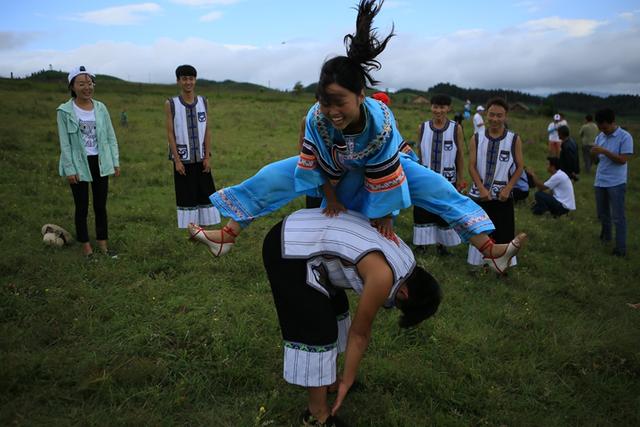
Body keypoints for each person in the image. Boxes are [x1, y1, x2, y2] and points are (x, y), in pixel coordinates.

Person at [190, 0, 525, 274]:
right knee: (273, 176)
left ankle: (488, 248)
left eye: (340, 102)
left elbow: (384, 174)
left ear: (360, 95)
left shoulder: (380, 123)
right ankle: (227, 235)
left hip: (387, 169)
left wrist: (384, 214)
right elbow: (312, 163)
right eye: (325, 101)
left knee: (438, 188)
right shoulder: (316, 119)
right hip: (336, 169)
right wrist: (331, 197)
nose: (332, 110)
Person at [263, 209, 442, 425]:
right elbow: (360, 334)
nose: (390, 304)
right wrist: (348, 380)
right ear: (404, 294)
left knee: (337, 309)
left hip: (309, 242)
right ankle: (316, 414)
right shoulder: (384, 276)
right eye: (397, 306)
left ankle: (328, 381)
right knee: (317, 328)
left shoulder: (406, 258)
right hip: (289, 248)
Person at [56, 66, 120, 258]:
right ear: (72, 86)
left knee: (101, 205)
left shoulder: (101, 108)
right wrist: (69, 168)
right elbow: (64, 143)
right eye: (81, 84)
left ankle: (103, 245)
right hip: (78, 164)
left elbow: (110, 136)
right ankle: (86, 247)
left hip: (100, 161)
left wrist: (115, 161)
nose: (87, 87)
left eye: (90, 83)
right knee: (81, 206)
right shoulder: (65, 111)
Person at [467, 97, 525, 270]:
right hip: (480, 195)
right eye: (492, 114)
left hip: (503, 196)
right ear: (486, 114)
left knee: (504, 231)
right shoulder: (477, 138)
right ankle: (478, 265)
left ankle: (503, 265)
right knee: (480, 230)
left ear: (505, 116)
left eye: (499, 116)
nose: (495, 119)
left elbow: (520, 166)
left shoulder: (514, 139)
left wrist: (508, 187)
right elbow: (471, 166)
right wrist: (481, 188)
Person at [164, 65, 221, 228]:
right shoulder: (171, 104)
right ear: (178, 81)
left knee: (205, 193)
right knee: (186, 195)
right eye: (184, 79)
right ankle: (191, 231)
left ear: (195, 80)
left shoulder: (204, 102)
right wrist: (177, 161)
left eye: (191, 78)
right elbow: (170, 134)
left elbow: (207, 130)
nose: (188, 82)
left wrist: (207, 157)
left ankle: (204, 231)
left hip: (202, 159)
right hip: (183, 159)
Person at [413, 94, 465, 255]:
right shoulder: (423, 127)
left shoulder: (456, 128)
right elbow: (420, 154)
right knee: (423, 211)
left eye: (442, 107)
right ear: (431, 107)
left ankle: (442, 245)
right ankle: (422, 244)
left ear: (448, 108)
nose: (438, 110)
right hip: (426, 179)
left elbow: (460, 155)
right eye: (435, 106)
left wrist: (461, 178)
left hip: (447, 179)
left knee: (444, 212)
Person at [591, 108, 634, 257]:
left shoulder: (625, 137)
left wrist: (604, 151)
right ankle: (606, 238)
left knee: (618, 217)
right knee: (603, 214)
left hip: (616, 183)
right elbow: (597, 161)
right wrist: (594, 155)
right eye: (600, 128)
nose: (603, 130)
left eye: (605, 127)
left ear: (613, 122)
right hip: (600, 181)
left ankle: (621, 249)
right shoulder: (600, 137)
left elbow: (623, 160)